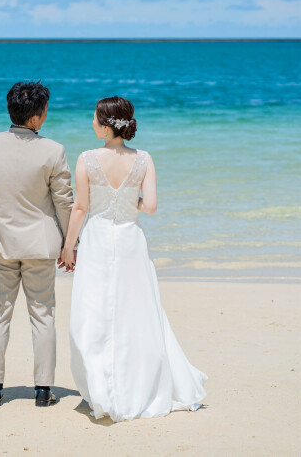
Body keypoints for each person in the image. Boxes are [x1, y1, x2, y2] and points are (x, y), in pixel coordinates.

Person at [61, 96, 207, 421]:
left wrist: (69, 245)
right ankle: (135, 389)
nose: (92, 123)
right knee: (135, 315)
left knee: (94, 314)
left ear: (106, 124)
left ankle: (102, 390)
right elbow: (151, 206)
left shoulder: (86, 159)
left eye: (95, 118)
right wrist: (130, 204)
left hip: (98, 239)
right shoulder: (144, 159)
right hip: (130, 239)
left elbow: (80, 208)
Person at [0, 81, 74, 407]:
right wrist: (71, 243)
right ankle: (43, 390)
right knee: (43, 316)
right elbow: (64, 202)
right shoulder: (54, 150)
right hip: (41, 245)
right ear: (37, 118)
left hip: (0, 244)